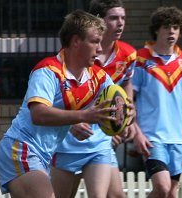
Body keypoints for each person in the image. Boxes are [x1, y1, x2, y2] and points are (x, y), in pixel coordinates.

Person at [0, 10, 125, 197]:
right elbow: (39, 114)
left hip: (42, 156)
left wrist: (126, 115)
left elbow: (119, 102)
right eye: (95, 41)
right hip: (20, 149)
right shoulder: (48, 71)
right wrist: (83, 116)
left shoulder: (98, 77)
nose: (100, 49)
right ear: (76, 41)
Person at [50, 1, 138, 197]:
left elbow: (125, 86)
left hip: (100, 138)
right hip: (70, 137)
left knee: (113, 195)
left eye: (123, 18)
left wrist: (124, 117)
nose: (120, 24)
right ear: (98, 21)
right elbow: (56, 97)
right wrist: (72, 120)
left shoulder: (128, 54)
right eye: (114, 18)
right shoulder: (74, 56)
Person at [132, 6, 182, 198]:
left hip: (178, 139)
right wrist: (137, 133)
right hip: (151, 137)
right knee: (163, 188)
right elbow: (128, 101)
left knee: (172, 193)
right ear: (157, 29)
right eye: (167, 27)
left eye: (176, 27)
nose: (172, 31)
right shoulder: (141, 59)